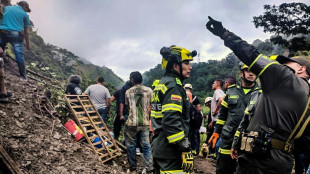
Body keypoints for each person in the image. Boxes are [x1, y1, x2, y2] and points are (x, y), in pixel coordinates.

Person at [206, 16, 310, 174]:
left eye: (287, 63)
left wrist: (224, 34)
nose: (282, 65)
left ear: (301, 69)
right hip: (282, 162)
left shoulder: (286, 78)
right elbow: (305, 143)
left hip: (259, 160)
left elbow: (252, 55)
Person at [151, 45, 197, 174]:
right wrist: (185, 148)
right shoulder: (173, 86)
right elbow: (171, 120)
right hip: (171, 152)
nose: (190, 67)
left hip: (160, 148)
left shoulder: (163, 83)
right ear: (175, 65)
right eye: (186, 63)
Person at [208, 63, 258, 174]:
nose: (251, 73)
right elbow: (222, 116)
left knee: (245, 169)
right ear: (241, 74)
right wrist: (216, 132)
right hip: (228, 137)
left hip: (250, 139)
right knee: (224, 167)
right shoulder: (231, 91)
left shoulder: (261, 93)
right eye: (248, 70)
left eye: (254, 71)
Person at [124, 71, 153, 172]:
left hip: (132, 123)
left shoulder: (128, 92)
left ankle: (133, 166)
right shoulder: (149, 91)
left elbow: (128, 107)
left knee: (131, 145)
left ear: (132, 80)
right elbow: (151, 106)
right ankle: (150, 166)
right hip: (145, 123)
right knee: (146, 145)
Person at [0, 1, 31, 79]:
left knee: (0, 50)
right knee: (18, 55)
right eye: (26, 9)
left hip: (2, 32)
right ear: (24, 6)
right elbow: (26, 32)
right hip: (16, 35)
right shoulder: (25, 15)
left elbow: (2, 7)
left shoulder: (7, 8)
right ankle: (23, 77)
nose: (26, 11)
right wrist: (27, 44)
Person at [184, 83, 202, 154]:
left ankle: (188, 149)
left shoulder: (182, 97)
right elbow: (199, 110)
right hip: (194, 120)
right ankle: (195, 150)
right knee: (195, 135)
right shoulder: (195, 98)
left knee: (187, 134)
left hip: (186, 120)